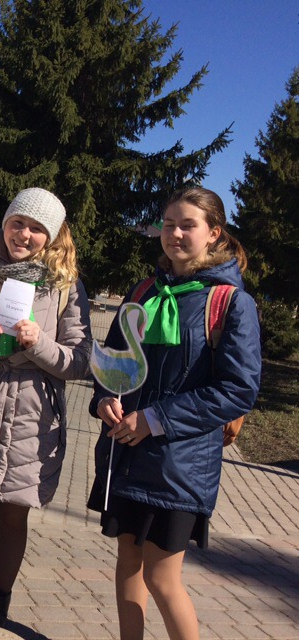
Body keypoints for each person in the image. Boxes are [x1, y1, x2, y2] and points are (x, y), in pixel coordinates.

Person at [87, 187, 261, 640]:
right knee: (127, 563)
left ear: (214, 233)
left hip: (178, 464)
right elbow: (112, 359)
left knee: (161, 578)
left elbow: (238, 389)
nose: (175, 234)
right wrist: (103, 398)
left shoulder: (230, 302)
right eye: (169, 224)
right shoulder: (144, 290)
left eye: (188, 225)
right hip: (125, 451)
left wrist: (155, 419)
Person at [0, 188, 92, 627]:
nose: (25, 234)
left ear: (51, 236)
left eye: (36, 228)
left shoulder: (66, 286)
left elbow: (80, 361)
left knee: (14, 509)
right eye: (18, 223)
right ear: (5, 223)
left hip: (33, 413)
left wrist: (39, 344)